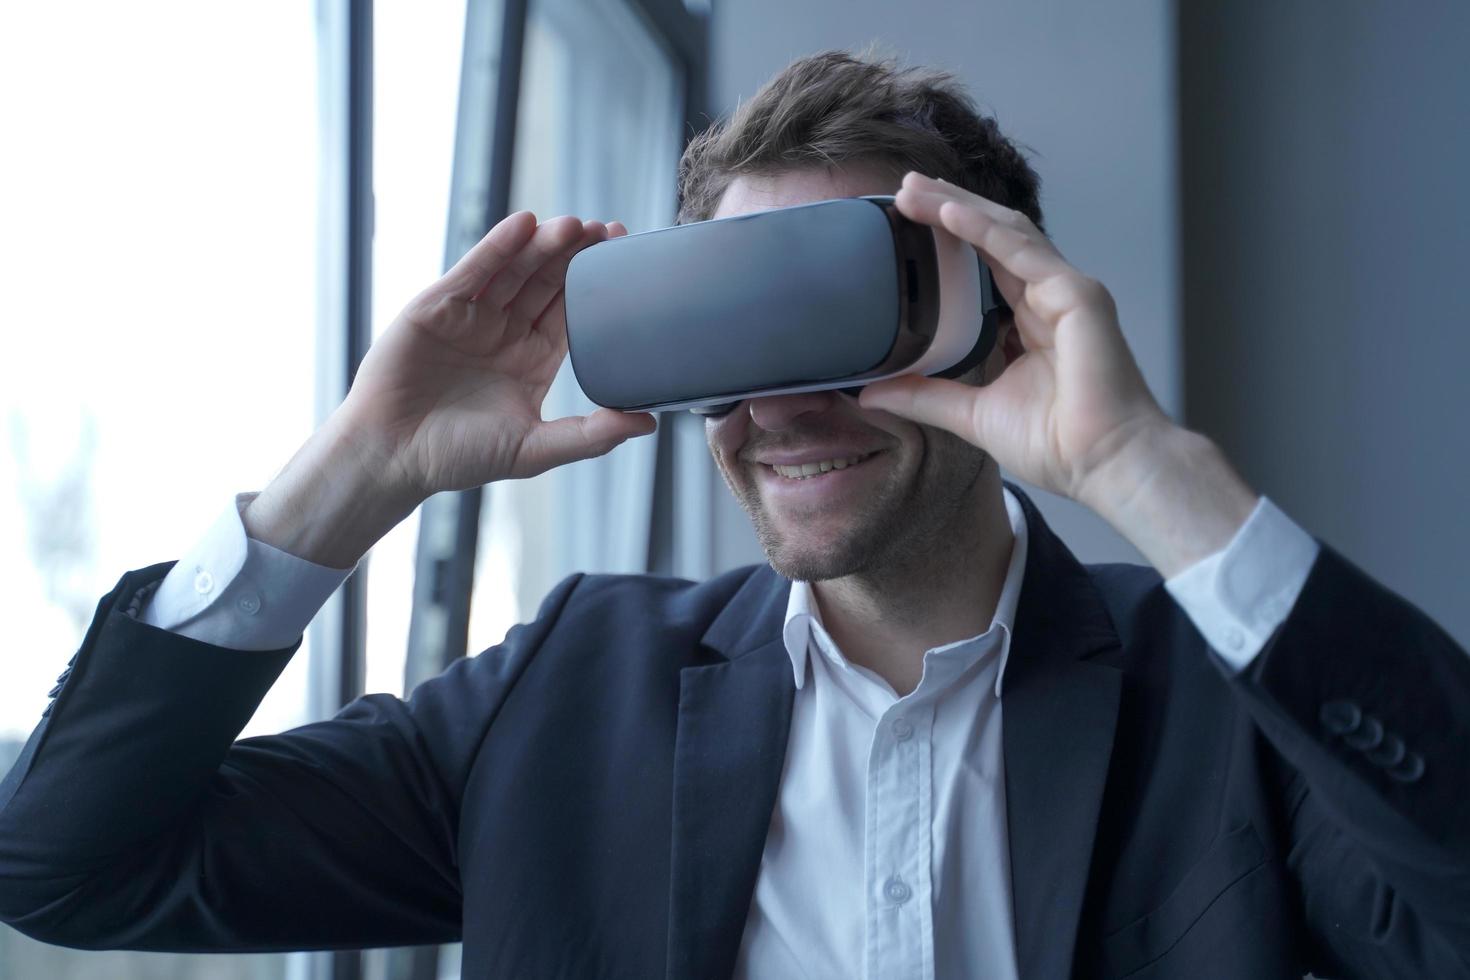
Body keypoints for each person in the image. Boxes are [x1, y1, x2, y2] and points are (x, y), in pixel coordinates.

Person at [1, 49, 1467, 980]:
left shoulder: (1221, 707)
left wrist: (1147, 468)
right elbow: (72, 867)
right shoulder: (567, 700)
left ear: (1002, 323)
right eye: (732, 338)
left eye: (838, 323)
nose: (779, 405)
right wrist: (358, 468)